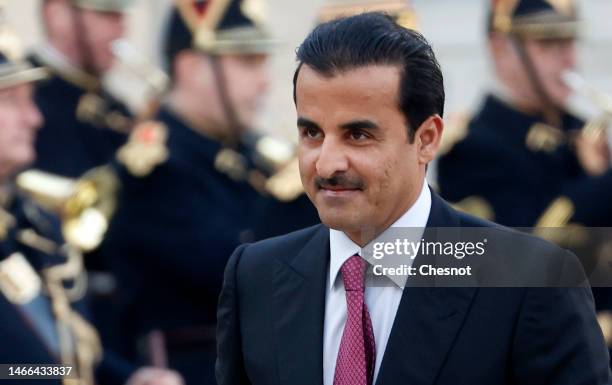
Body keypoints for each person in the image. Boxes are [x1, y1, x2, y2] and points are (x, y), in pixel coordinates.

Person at [216, 12, 611, 385]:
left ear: (426, 140)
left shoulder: (530, 283)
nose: (327, 163)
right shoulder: (256, 276)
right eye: (312, 134)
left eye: (358, 135)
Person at [97, 1, 317, 383]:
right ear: (193, 67)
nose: (264, 80)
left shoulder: (246, 155)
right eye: (247, 63)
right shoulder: (156, 169)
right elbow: (241, 271)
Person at [0, 15, 183, 385]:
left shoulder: (35, 226)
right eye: (12, 102)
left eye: (30, 101)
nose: (34, 118)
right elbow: (19, 372)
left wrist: (130, 378)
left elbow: (66, 358)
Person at [436, 0, 612, 355]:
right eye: (549, 45)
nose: (569, 60)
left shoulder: (581, 132)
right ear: (501, 47)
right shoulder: (473, 147)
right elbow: (527, 253)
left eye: (569, 44)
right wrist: (603, 184)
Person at [29, 0, 133, 178]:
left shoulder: (114, 105)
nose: (119, 32)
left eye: (121, 18)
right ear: (57, 15)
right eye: (105, 15)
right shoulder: (26, 95)